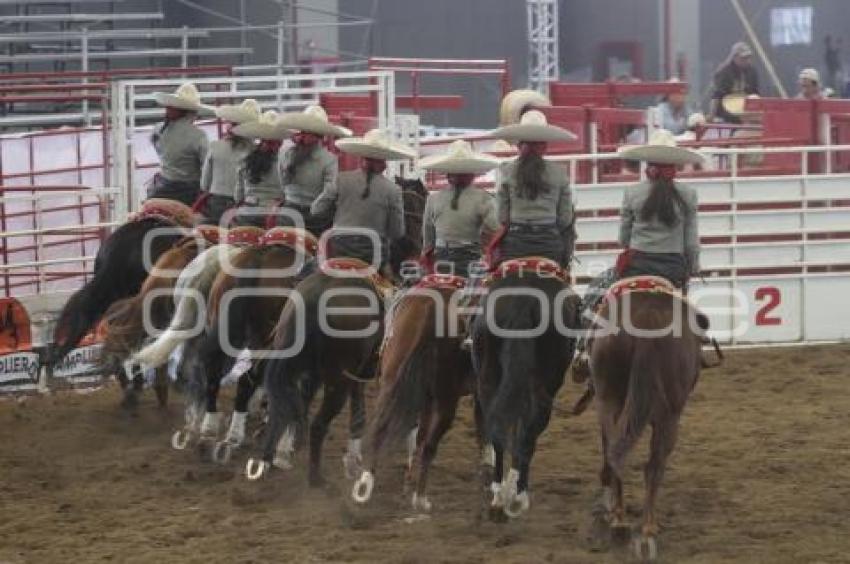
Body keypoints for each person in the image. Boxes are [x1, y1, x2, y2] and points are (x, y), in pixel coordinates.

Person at [572, 129, 703, 378]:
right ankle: (696, 350)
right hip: (673, 270)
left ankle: (583, 350)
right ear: (674, 164)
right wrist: (693, 268)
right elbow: (691, 243)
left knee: (596, 294)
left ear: (648, 163)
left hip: (636, 266)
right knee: (687, 314)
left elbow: (623, 239)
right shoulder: (688, 195)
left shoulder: (632, 193)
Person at [311, 129, 414, 272]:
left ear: (361, 159)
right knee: (392, 284)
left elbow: (316, 209)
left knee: (309, 269)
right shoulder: (393, 190)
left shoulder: (341, 179)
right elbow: (397, 232)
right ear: (384, 164)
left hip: (338, 247)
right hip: (372, 253)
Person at [488, 110, 577, 268]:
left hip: (516, 243)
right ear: (544, 147)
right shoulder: (559, 173)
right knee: (562, 280)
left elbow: (502, 217)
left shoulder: (507, 171)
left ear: (519, 146)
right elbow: (565, 219)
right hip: (549, 243)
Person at [419, 140, 502, 279]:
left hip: (441, 258)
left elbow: (428, 241)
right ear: (472, 174)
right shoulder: (484, 199)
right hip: (470, 258)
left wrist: (426, 261)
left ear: (447, 173)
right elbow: (495, 230)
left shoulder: (433, 199)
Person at [276, 105, 350, 235]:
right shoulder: (329, 159)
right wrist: (315, 209)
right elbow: (330, 191)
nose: (301, 136)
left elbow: (281, 183)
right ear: (320, 137)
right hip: (315, 219)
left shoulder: (285, 153)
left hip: (288, 214)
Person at [199, 99, 260, 225]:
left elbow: (204, 184)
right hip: (242, 206)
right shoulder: (256, 152)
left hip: (216, 204)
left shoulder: (215, 146)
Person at [148, 82, 211, 205]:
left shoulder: (157, 129)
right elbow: (207, 166)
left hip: (162, 186)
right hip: (189, 191)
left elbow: (158, 149)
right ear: (191, 113)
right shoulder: (198, 135)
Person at [230, 111, 292, 227]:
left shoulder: (245, 160)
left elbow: (238, 195)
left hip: (247, 212)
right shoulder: (285, 163)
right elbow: (287, 193)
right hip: (273, 213)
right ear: (280, 142)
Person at [711, 42, 760, 124]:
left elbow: (755, 93)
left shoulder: (752, 71)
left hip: (745, 109)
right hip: (727, 112)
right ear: (734, 57)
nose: (746, 60)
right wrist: (711, 116)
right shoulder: (724, 72)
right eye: (743, 58)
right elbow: (717, 96)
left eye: (748, 58)